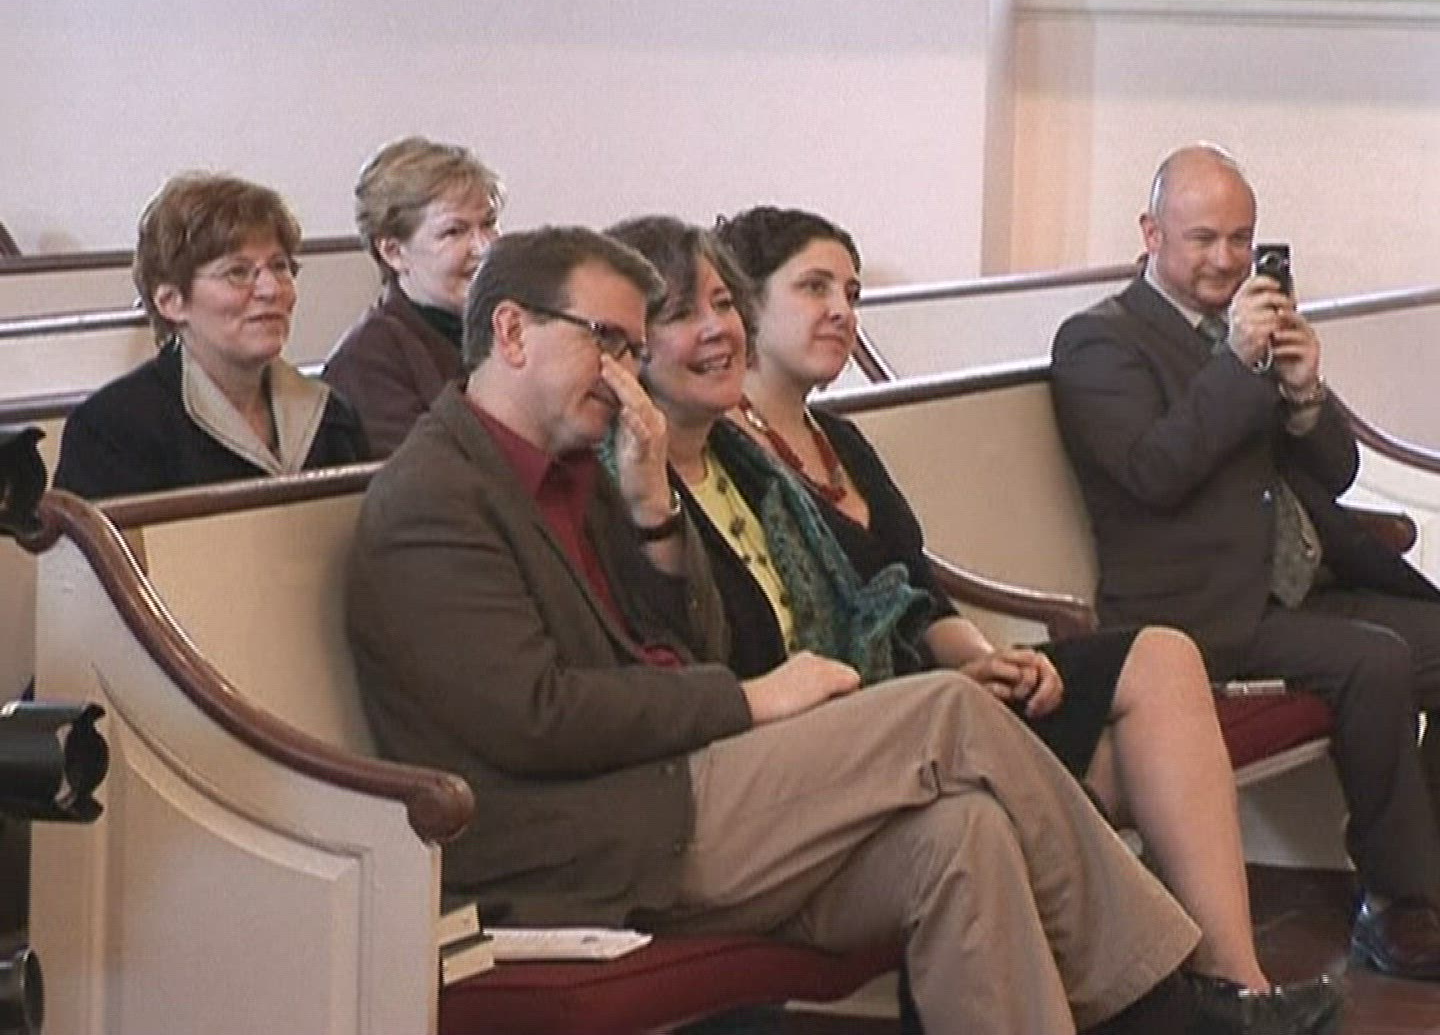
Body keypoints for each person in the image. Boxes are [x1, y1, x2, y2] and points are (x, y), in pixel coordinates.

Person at [346, 225, 1209, 1034]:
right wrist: (751, 702)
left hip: (668, 797)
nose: (622, 376)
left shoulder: (588, 472)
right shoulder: (437, 496)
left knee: (962, 837)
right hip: (574, 845)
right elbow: (535, 718)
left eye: (631, 351)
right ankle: (1159, 1000)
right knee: (945, 713)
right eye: (605, 341)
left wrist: (653, 517)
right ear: (511, 331)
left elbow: (690, 646)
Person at [613, 212, 1341, 1035]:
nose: (840, 312)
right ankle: (1170, 1004)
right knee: (1003, 758)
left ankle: (1229, 980)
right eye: (814, 288)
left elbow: (910, 591)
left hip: (891, 694)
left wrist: (981, 655)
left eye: (851, 293)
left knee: (1132, 684)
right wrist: (935, 677)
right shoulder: (666, 473)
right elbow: (713, 656)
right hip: (817, 733)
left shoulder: (780, 456)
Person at [1050, 142, 1440, 983]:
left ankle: (1429, 872)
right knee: (1375, 660)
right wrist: (1235, 364)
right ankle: (1401, 905)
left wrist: (1302, 392)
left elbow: (1334, 471)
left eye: (1240, 238)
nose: (1226, 259)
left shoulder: (1252, 329)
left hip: (1291, 588)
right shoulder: (1098, 343)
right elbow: (1153, 472)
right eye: (1203, 239)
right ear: (1151, 233)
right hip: (1197, 611)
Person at [54, 173, 368, 499]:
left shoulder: (332, 418)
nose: (271, 289)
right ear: (171, 301)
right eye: (238, 272)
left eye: (279, 266)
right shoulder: (113, 431)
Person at [323, 136, 504, 455]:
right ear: (393, 252)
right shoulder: (367, 361)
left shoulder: (510, 326)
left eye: (489, 224)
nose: (484, 248)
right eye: (454, 231)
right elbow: (426, 475)